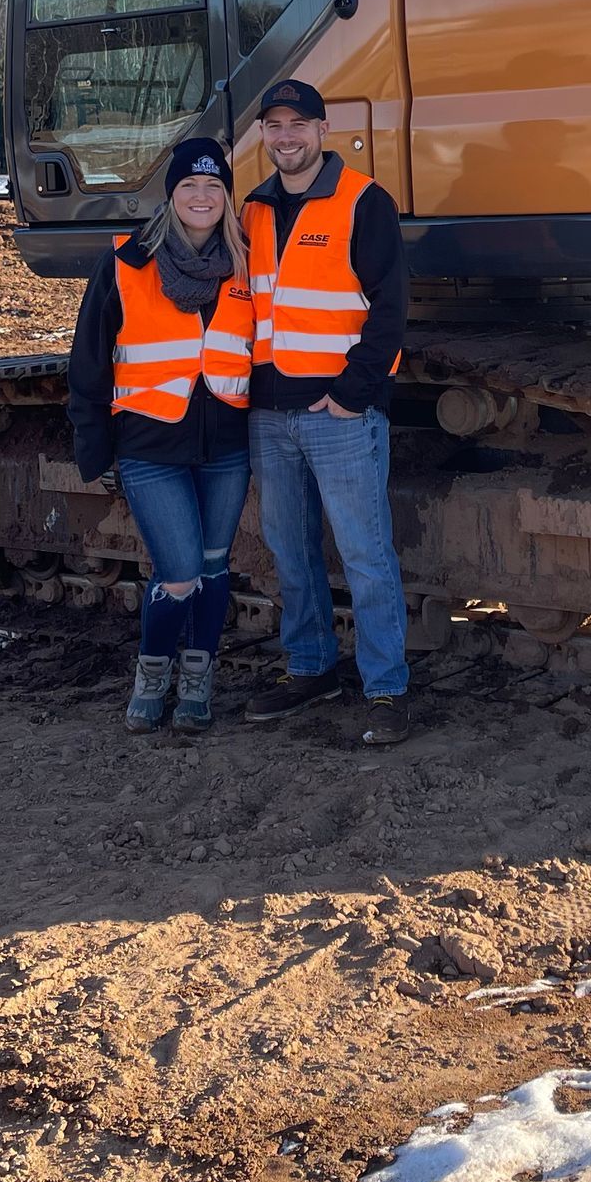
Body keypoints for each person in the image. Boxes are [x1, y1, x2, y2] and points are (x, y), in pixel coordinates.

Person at [241, 80, 414, 744]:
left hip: (339, 415)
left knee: (365, 553)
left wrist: (352, 394)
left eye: (298, 124)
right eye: (275, 124)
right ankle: (311, 666)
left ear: (322, 129)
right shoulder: (253, 210)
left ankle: (385, 686)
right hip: (270, 415)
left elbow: (391, 310)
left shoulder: (363, 202)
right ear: (265, 133)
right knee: (290, 551)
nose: (286, 136)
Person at [66, 137, 254, 731]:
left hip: (226, 444)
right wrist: (92, 445)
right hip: (151, 445)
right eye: (189, 187)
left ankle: (198, 678)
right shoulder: (126, 262)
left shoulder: (247, 264)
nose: (202, 197)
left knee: (215, 567)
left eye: (214, 187)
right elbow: (89, 361)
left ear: (227, 197)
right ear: (171, 197)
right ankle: (152, 670)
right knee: (177, 574)